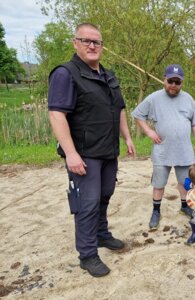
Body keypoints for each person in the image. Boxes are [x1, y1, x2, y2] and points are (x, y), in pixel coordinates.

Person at [48, 23, 135, 278]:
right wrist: (71, 153)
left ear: (102, 46)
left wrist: (127, 137)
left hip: (108, 150)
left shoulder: (108, 75)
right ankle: (87, 255)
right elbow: (56, 114)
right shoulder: (66, 74)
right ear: (75, 43)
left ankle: (101, 234)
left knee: (105, 194)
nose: (92, 45)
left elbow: (119, 109)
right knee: (86, 204)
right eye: (85, 41)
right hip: (84, 154)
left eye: (96, 42)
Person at [132, 64, 195, 229]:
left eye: (177, 82)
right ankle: (156, 210)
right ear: (164, 80)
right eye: (170, 81)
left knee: (184, 182)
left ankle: (185, 206)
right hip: (162, 150)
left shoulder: (188, 99)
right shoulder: (154, 98)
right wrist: (149, 131)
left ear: (181, 83)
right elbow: (137, 115)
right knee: (159, 183)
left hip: (184, 150)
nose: (173, 85)